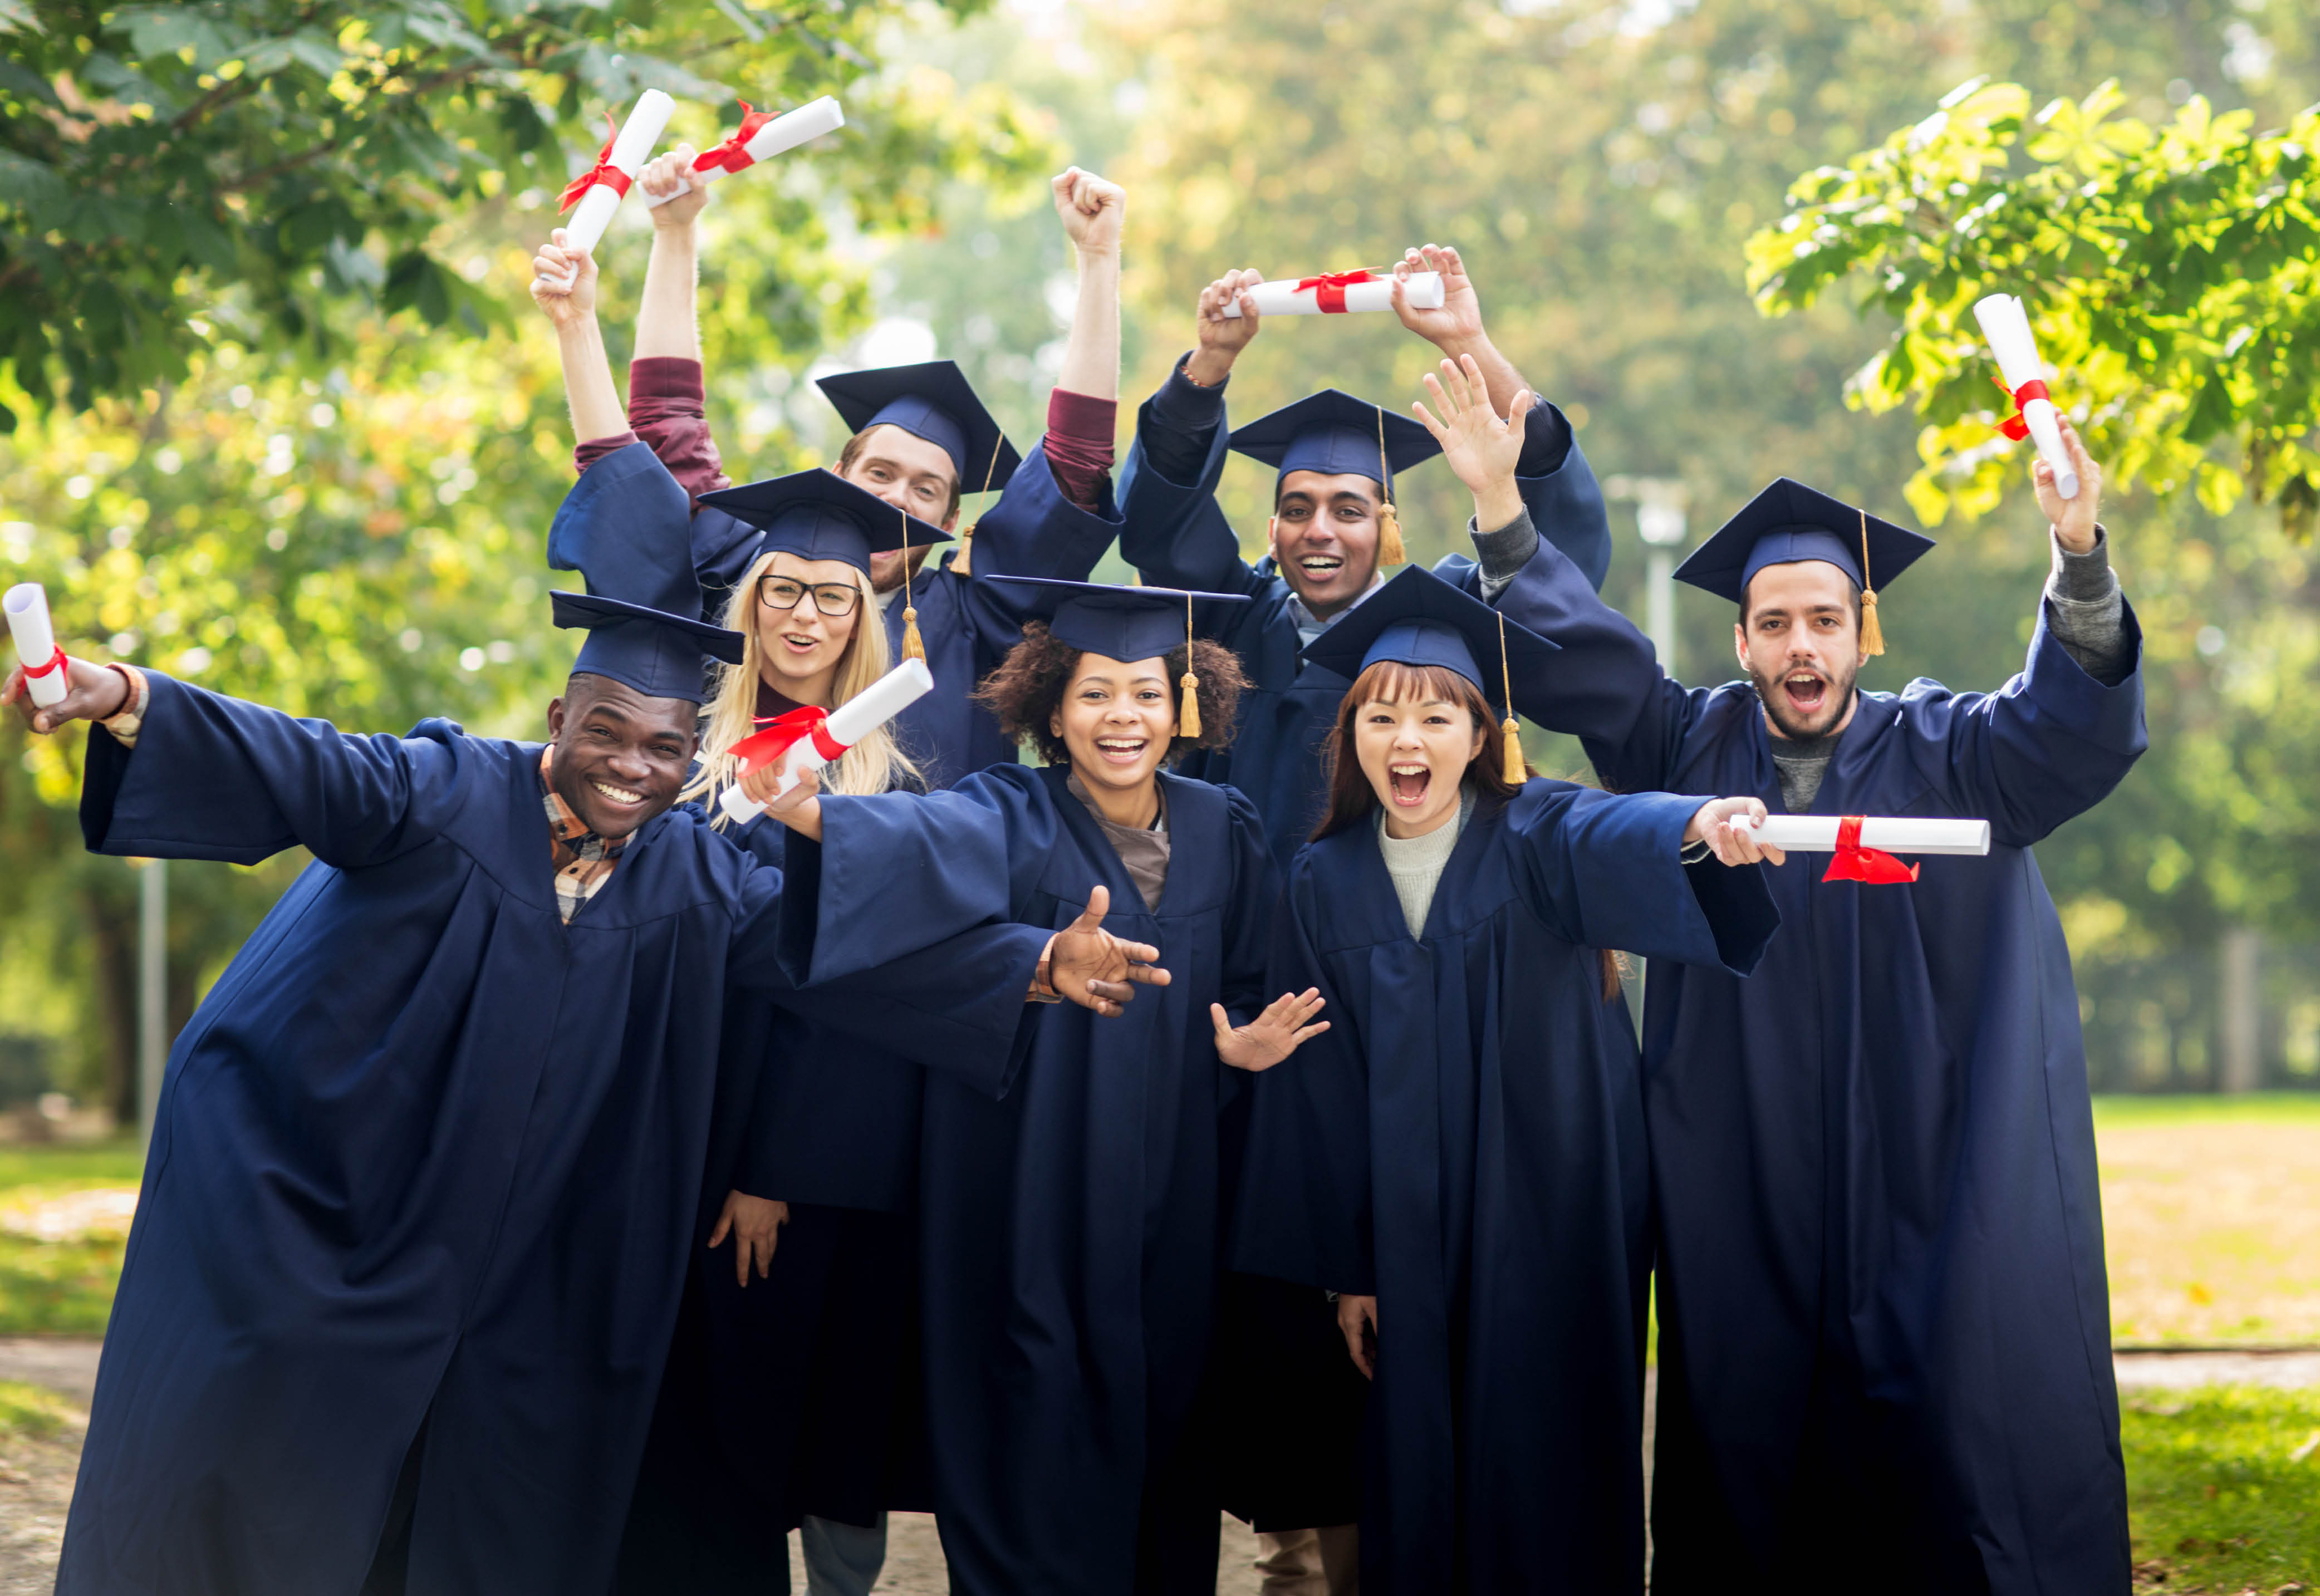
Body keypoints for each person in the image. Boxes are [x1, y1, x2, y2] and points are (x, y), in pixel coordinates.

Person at [12, 444, 1163, 1596]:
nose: (633, 765)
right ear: (561, 712)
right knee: (276, 1473)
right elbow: (303, 757)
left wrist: (1034, 965)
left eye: (667, 746)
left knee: (487, 1490)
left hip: (524, 1250)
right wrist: (117, 692)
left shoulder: (685, 873)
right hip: (342, 1205)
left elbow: (834, 962)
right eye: (607, 729)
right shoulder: (443, 790)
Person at [1471, 404, 2144, 1592]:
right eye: (1774, 622)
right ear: (1739, 638)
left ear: (1862, 632)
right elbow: (1587, 657)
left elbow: (2066, 728)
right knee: (1748, 1433)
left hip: (1932, 1161)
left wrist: (2076, 550)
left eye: (1823, 621)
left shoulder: (1952, 750)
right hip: (1741, 1161)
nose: (1800, 647)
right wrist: (1500, 511)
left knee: (1954, 1436)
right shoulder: (1681, 744)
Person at [762, 580, 1326, 1596]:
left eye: (1147, 695)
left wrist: (1237, 1046)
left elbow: (1249, 980)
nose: (1124, 719)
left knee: (1164, 1424)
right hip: (1022, 1186)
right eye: (1096, 694)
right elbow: (902, 851)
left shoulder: (1223, 826)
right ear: (1051, 711)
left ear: (1184, 704)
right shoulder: (1005, 810)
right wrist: (803, 809)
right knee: (1029, 1413)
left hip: (1171, 1199)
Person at [1232, 561, 1781, 1596]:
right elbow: (1320, 1086)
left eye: (1439, 718)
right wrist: (1350, 1264)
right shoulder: (1320, 878)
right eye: (1382, 718)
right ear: (1348, 736)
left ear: (1483, 738)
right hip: (1400, 1233)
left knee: (1549, 1445)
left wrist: (1694, 826)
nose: (1408, 742)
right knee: (1414, 1457)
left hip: (1550, 1215)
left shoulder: (1536, 837)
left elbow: (1613, 829)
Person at [603, 464, 954, 1594]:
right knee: (703, 1435)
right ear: (750, 602)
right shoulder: (683, 763)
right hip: (677, 1135)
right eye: (785, 589)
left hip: (811, 1160)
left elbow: (841, 1001)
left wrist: (766, 1164)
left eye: (834, 596)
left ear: (866, 617)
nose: (806, 615)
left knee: (817, 1422)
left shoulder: (889, 790)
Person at [532, 156, 1130, 786]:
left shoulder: (973, 622)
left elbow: (1073, 466)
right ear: (839, 471)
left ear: (951, 520)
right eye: (879, 472)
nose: (898, 498)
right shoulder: (746, 575)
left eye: (925, 490)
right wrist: (675, 233)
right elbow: (666, 430)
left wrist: (1098, 261)